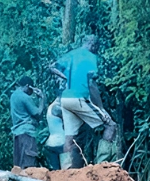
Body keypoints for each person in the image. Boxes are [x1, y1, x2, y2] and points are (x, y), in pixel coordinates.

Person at [50, 35, 117, 169]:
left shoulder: (71, 54)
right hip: (79, 98)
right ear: (93, 45)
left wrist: (63, 78)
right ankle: (101, 168)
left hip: (65, 99)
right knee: (110, 125)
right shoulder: (90, 57)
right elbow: (91, 83)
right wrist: (101, 109)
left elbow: (52, 67)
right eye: (97, 47)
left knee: (70, 137)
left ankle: (67, 172)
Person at [9, 76, 44, 169]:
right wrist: (42, 99)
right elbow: (37, 113)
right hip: (27, 132)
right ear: (28, 86)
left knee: (18, 164)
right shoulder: (25, 97)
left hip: (17, 132)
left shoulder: (14, 95)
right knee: (28, 163)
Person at [44, 99, 65, 170]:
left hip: (51, 143)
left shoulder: (51, 107)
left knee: (55, 172)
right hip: (61, 143)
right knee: (67, 171)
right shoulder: (56, 108)